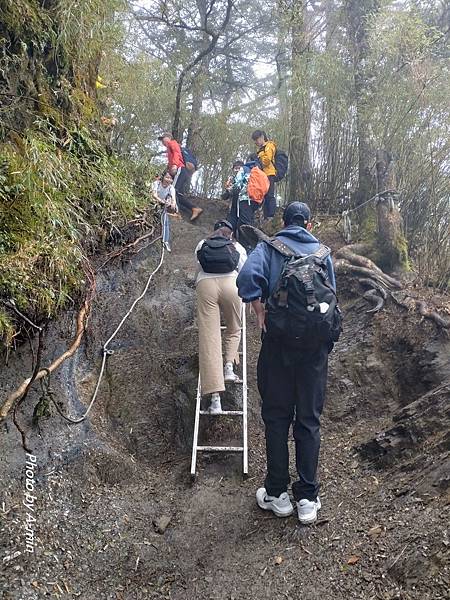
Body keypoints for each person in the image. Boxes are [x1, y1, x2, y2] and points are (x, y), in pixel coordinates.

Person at [236, 202, 337, 524]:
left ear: (284, 221)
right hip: (314, 352)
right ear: (308, 222)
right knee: (309, 420)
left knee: (277, 418)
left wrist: (259, 311)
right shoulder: (323, 253)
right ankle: (307, 498)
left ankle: (277, 493)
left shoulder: (269, 248)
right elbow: (331, 297)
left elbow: (246, 279)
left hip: (277, 347)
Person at [195, 220, 247, 414]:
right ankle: (229, 368)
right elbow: (244, 269)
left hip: (205, 285)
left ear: (214, 231)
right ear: (230, 233)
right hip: (231, 284)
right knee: (234, 328)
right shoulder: (236, 246)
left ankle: (215, 401)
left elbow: (198, 264)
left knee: (209, 338)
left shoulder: (203, 243)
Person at [158, 133, 203, 221]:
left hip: (180, 169)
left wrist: (175, 165)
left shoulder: (172, 143)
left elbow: (176, 153)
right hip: (182, 171)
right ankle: (194, 209)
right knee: (178, 194)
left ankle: (176, 213)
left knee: (172, 190)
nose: (162, 141)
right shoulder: (169, 149)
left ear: (169, 138)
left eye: (163, 138)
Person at [226, 157, 261, 252]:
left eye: (237, 167)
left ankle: (245, 247)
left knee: (243, 223)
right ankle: (246, 246)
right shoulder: (256, 172)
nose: (236, 169)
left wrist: (229, 191)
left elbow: (237, 185)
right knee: (246, 220)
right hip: (255, 199)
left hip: (245, 199)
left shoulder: (244, 170)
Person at [251, 130, 277, 220]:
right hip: (261, 175)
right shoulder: (260, 149)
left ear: (262, 137)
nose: (256, 142)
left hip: (269, 174)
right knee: (263, 196)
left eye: (256, 139)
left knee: (269, 195)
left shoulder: (269, 145)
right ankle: (265, 216)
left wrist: (260, 155)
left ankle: (271, 215)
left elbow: (267, 160)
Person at [151, 172, 179, 252]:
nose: (168, 180)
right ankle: (164, 240)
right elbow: (154, 195)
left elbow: (173, 198)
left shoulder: (171, 188)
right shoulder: (156, 183)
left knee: (166, 220)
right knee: (162, 216)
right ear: (163, 177)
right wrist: (162, 201)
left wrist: (172, 203)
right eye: (167, 177)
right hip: (153, 203)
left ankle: (165, 241)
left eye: (170, 178)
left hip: (162, 205)